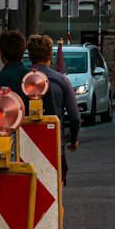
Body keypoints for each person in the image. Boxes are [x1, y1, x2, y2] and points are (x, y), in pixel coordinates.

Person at [27, 33, 80, 183]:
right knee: (55, 188)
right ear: (50, 55)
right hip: (54, 144)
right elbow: (75, 117)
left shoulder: (24, 80)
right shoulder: (61, 81)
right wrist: (73, 139)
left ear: (30, 56)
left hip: (26, 144)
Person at [0, 29, 58, 128]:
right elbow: (51, 117)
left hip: (2, 140)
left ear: (1, 53)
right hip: (35, 139)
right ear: (23, 51)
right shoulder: (38, 81)